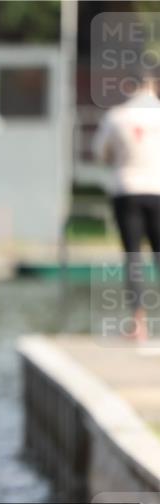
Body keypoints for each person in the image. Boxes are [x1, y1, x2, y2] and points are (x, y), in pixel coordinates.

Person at [92, 75, 160, 342]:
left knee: (133, 257)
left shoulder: (117, 117)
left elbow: (101, 153)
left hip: (127, 190)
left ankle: (138, 324)